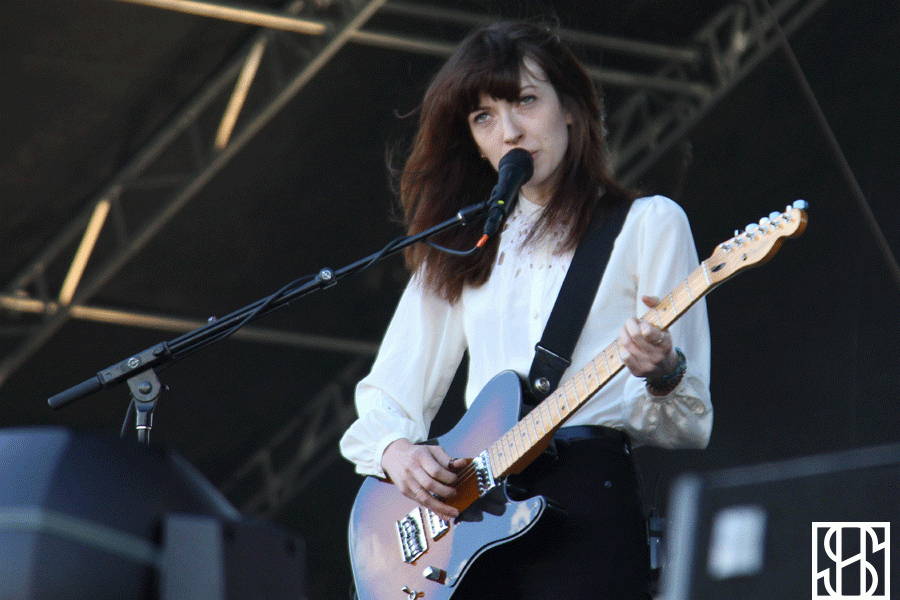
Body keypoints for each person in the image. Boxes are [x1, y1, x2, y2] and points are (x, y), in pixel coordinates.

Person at [340, 20, 711, 600]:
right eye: (483, 117)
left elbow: (687, 421)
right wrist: (398, 453)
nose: (509, 131)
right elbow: (387, 396)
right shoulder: (462, 246)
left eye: (526, 102)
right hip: (478, 524)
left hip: (588, 509)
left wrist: (663, 371)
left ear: (571, 109)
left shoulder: (648, 225)